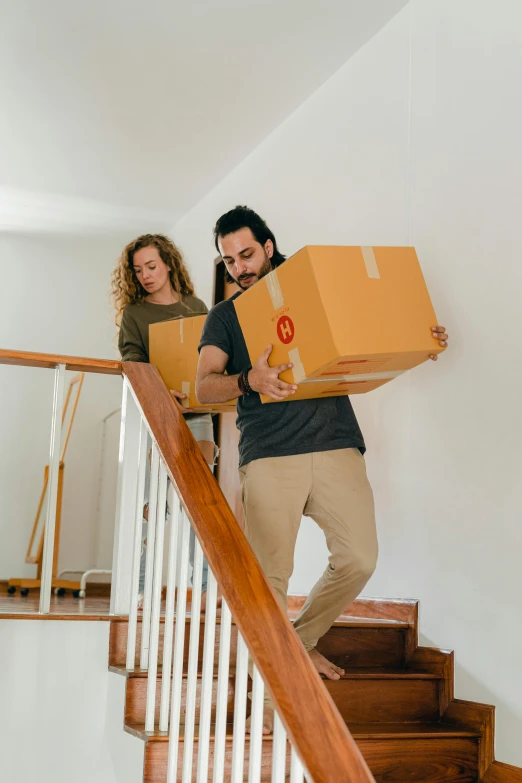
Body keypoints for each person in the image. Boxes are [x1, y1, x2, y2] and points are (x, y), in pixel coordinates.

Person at [196, 206, 448, 730]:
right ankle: (274, 707)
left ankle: (299, 640)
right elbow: (204, 386)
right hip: (268, 453)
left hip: (335, 443)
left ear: (268, 246)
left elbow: (371, 327)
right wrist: (250, 381)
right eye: (229, 261)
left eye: (246, 254)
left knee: (359, 557)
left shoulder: (312, 288)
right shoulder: (226, 316)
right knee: (269, 579)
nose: (240, 267)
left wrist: (419, 337)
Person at [111, 233, 217, 610]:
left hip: (198, 416)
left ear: (169, 263)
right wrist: (159, 393)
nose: (145, 275)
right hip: (156, 415)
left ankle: (205, 589)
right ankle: (138, 591)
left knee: (197, 501)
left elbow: (209, 360)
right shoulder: (135, 314)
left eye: (151, 266)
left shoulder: (197, 306)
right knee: (154, 506)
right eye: (138, 270)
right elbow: (132, 362)